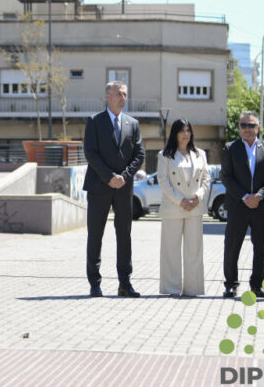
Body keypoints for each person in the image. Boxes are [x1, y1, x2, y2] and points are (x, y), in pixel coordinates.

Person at [82, 81, 145, 298]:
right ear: (108, 96)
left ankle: (125, 284)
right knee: (95, 235)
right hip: (99, 187)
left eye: (125, 94)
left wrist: (124, 177)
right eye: (119, 94)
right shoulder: (94, 121)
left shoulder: (132, 124)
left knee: (124, 235)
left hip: (123, 189)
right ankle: (95, 284)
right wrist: (109, 177)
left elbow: (139, 154)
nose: (123, 98)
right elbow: (90, 153)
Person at [221, 111, 264, 298]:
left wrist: (259, 196)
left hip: (261, 207)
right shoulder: (230, 148)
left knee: (261, 248)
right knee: (232, 246)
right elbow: (226, 177)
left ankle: (257, 286)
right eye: (243, 125)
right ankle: (231, 285)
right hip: (238, 205)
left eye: (251, 125)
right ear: (239, 128)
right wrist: (245, 196)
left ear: (258, 128)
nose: (247, 129)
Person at [157, 119, 210, 297]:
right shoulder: (164, 155)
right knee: (171, 250)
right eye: (181, 131)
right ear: (175, 134)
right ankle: (171, 288)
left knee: (194, 250)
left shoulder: (200, 154)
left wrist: (198, 197)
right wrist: (180, 201)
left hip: (195, 207)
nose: (185, 134)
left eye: (188, 130)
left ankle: (193, 288)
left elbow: (206, 179)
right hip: (173, 207)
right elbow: (163, 181)